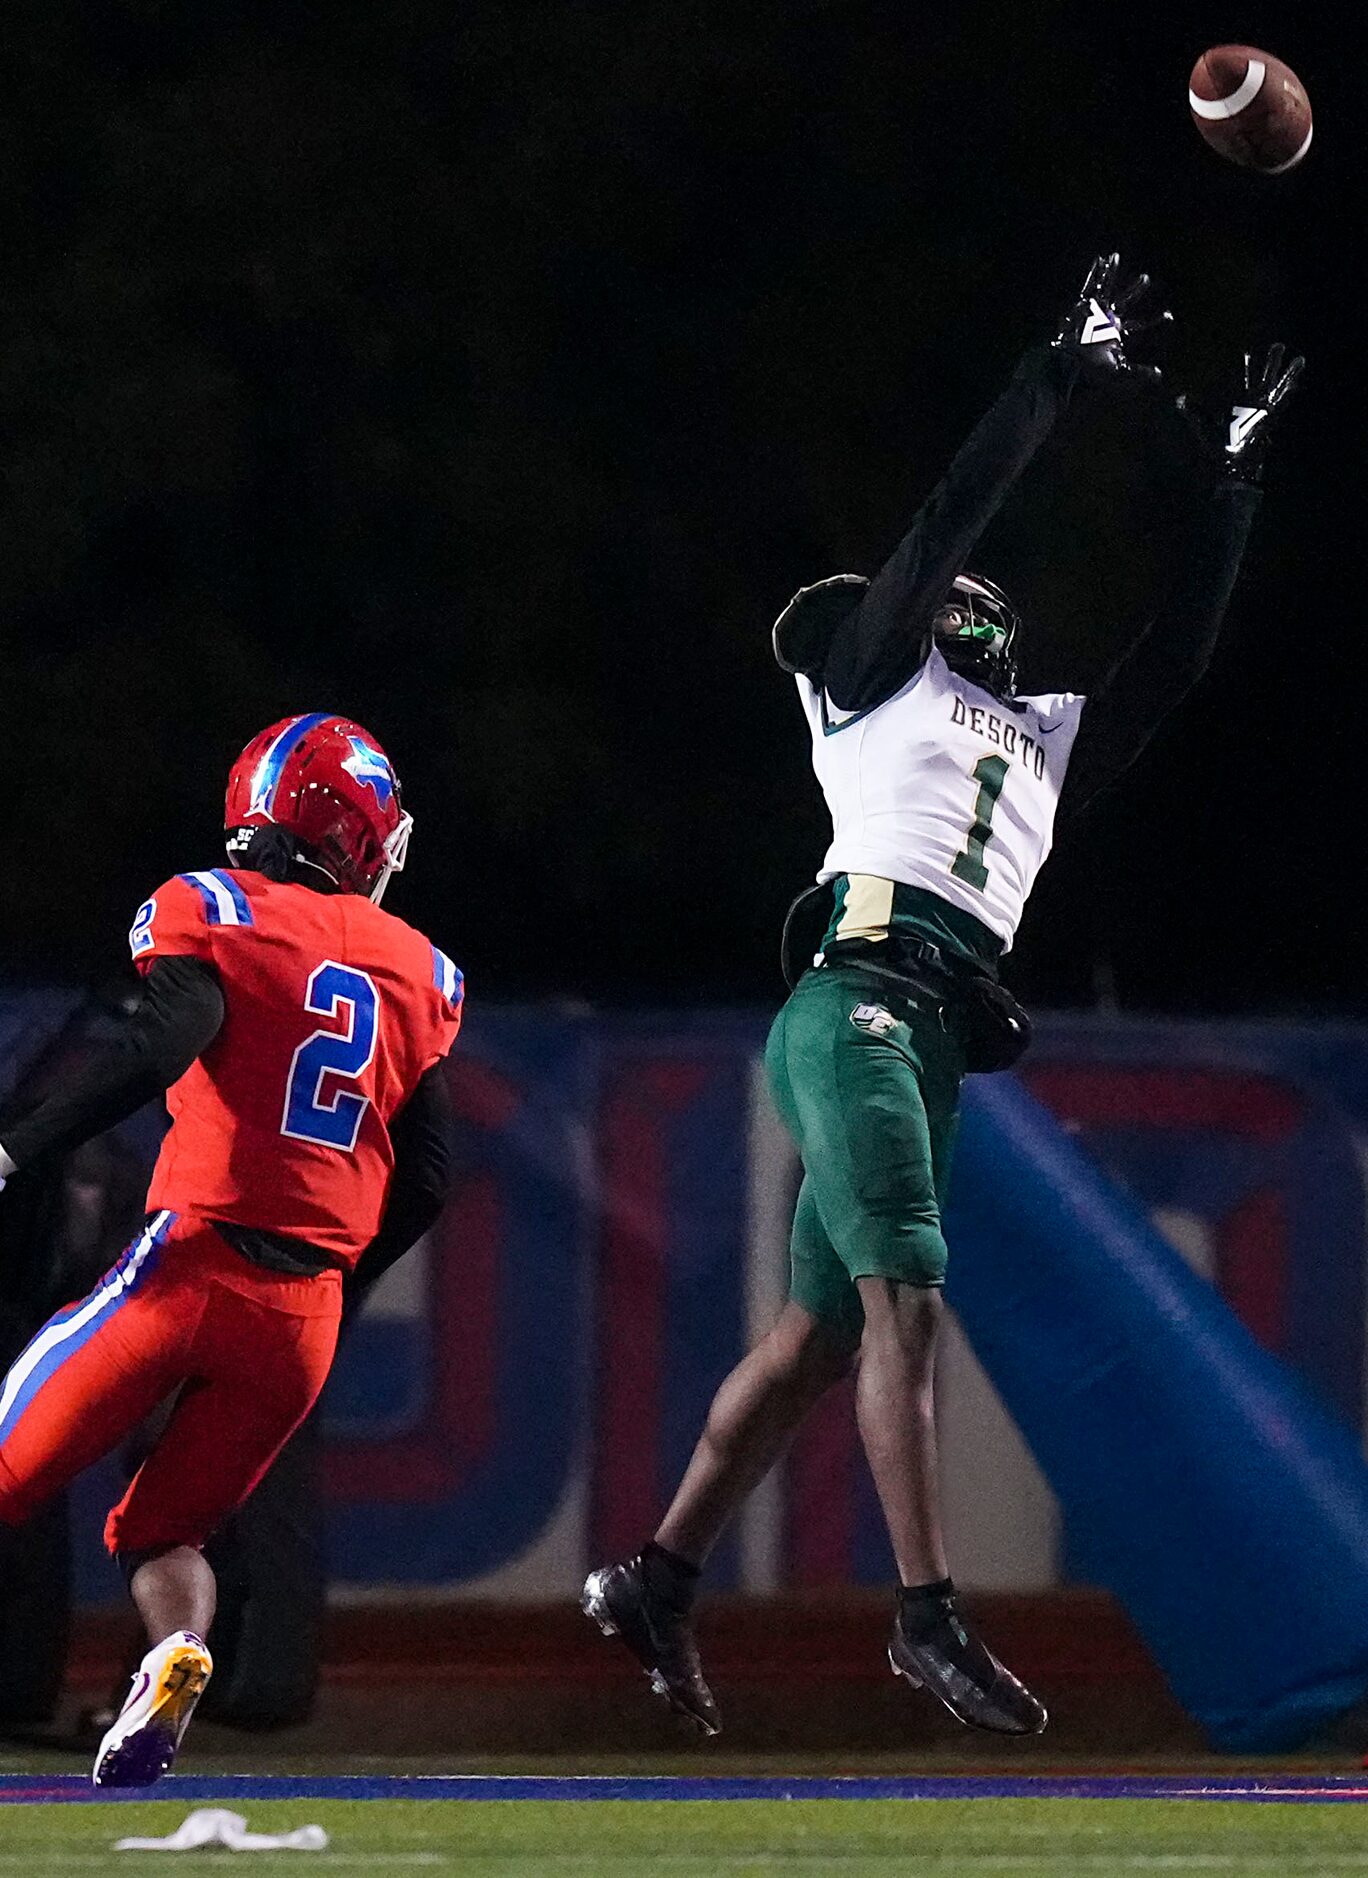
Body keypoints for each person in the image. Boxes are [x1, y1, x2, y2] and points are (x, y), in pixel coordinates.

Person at [582, 256, 1303, 1738]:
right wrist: (1059, 363)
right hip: (857, 1001)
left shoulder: (1036, 738)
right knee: (909, 1295)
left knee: (819, 1338)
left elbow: (1177, 659)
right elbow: (945, 521)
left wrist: (1228, 479)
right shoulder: (872, 678)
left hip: (931, 1038)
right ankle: (929, 1619)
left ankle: (656, 1572)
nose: (947, 597)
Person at [0, 714, 463, 1785]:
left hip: (185, 1266)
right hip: (299, 1318)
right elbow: (429, 1177)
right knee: (164, 1532)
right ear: (350, 831)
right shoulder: (418, 970)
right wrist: (343, 1291)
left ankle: (163, 1658)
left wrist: (18, 1148)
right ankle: (174, 1655)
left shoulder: (213, 908)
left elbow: (164, 1038)